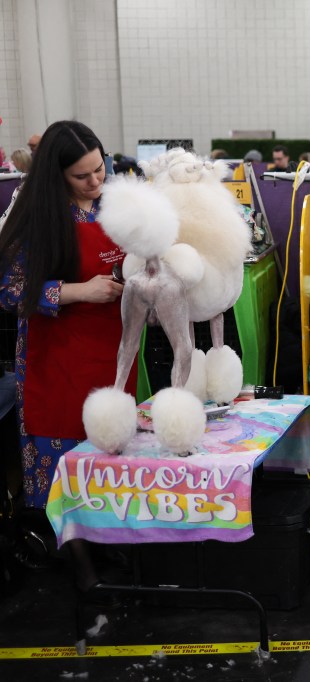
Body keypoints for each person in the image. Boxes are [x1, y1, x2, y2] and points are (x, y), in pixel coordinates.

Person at [0, 121, 130, 587]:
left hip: (110, 352)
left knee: (110, 454)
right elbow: (11, 290)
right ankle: (83, 571)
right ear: (56, 176)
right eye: (82, 177)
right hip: (55, 357)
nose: (96, 183)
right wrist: (77, 291)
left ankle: (111, 551)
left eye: (100, 170)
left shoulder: (118, 205)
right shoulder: (36, 217)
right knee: (63, 460)